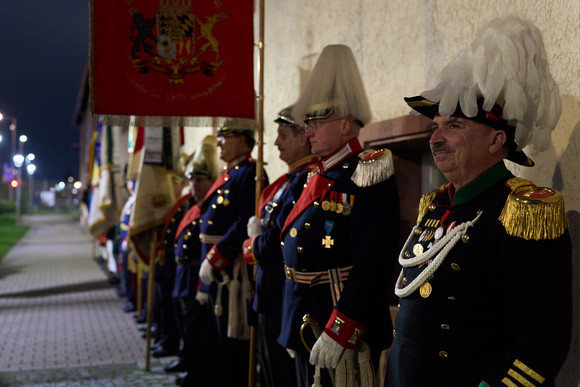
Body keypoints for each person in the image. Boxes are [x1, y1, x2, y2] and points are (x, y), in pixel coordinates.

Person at [386, 16, 572, 387]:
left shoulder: (525, 212)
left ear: (495, 141)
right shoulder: (436, 206)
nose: (435, 138)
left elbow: (541, 340)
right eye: (435, 126)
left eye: (453, 125)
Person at [279, 44, 400, 387]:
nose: (308, 131)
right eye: (307, 123)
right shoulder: (318, 173)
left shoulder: (369, 171)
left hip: (342, 321)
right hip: (307, 314)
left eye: (316, 122)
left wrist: (341, 327)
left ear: (346, 124)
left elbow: (373, 262)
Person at [242, 107, 318, 387]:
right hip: (270, 293)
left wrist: (251, 246)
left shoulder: (303, 181)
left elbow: (278, 240)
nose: (276, 143)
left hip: (282, 295)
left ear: (302, 138)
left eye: (283, 135)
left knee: (282, 376)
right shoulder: (288, 182)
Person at [198, 119, 269, 386]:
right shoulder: (231, 173)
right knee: (219, 341)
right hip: (221, 270)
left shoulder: (251, 173)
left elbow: (244, 221)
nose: (218, 142)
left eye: (224, 136)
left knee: (234, 344)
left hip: (233, 269)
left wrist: (215, 256)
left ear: (242, 140)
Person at [166, 135, 220, 387]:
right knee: (186, 324)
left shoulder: (209, 208)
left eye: (200, 180)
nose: (194, 185)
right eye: (192, 180)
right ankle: (189, 363)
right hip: (183, 274)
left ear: (210, 181)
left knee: (197, 329)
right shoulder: (194, 207)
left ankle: (197, 373)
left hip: (196, 275)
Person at [150, 172, 187, 358]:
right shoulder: (169, 205)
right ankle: (166, 338)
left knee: (173, 307)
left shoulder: (184, 204)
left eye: (174, 183)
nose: (171, 187)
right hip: (165, 260)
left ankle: (171, 341)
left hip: (174, 261)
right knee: (164, 303)